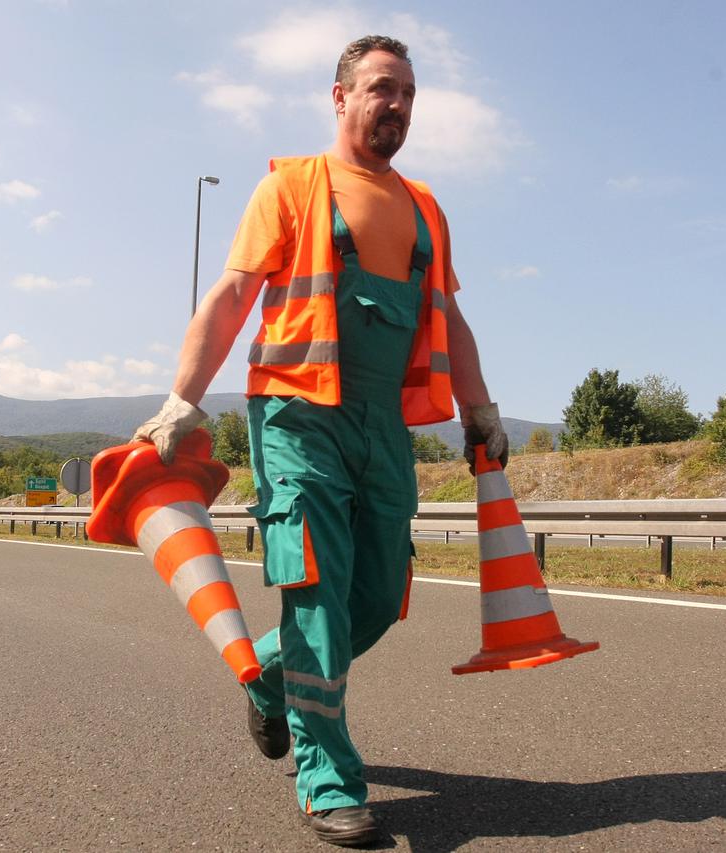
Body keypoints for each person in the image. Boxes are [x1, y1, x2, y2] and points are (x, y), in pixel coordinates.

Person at [132, 35, 509, 847]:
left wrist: (480, 408)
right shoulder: (291, 188)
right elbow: (232, 297)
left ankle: (271, 684)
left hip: (381, 426)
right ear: (340, 98)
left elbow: (451, 317)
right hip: (297, 418)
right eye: (381, 89)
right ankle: (327, 778)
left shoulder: (427, 207)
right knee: (316, 595)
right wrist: (179, 402)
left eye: (407, 92)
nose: (397, 105)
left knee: (375, 596)